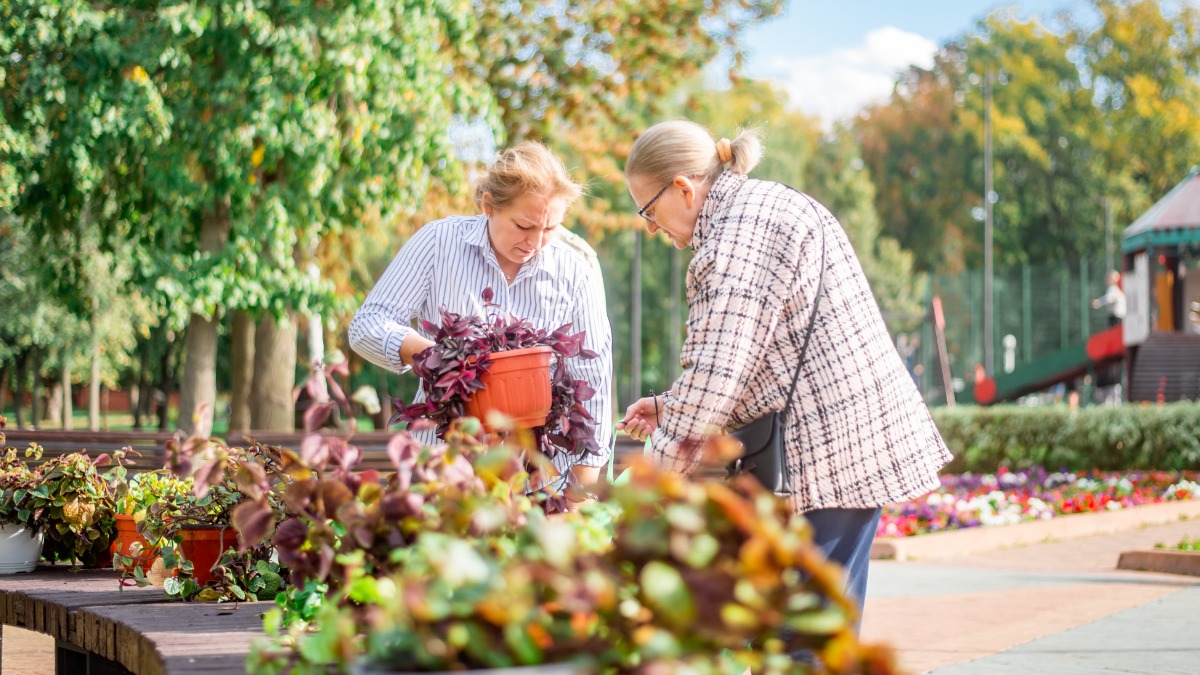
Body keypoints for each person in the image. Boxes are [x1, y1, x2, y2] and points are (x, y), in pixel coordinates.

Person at [615, 120, 951, 632]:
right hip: (843, 448)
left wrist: (647, 480)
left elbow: (718, 375)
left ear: (682, 188)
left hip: (822, 461)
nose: (652, 228)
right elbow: (758, 351)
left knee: (798, 644)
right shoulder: (766, 205)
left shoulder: (736, 237)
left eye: (649, 211)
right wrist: (668, 405)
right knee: (809, 635)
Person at [348, 142, 614, 487]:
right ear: (488, 205)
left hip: (542, 478)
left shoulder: (575, 271)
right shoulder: (438, 243)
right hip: (444, 468)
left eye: (549, 229)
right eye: (523, 226)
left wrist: (582, 487)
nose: (535, 242)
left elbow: (593, 377)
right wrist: (438, 360)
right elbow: (366, 326)